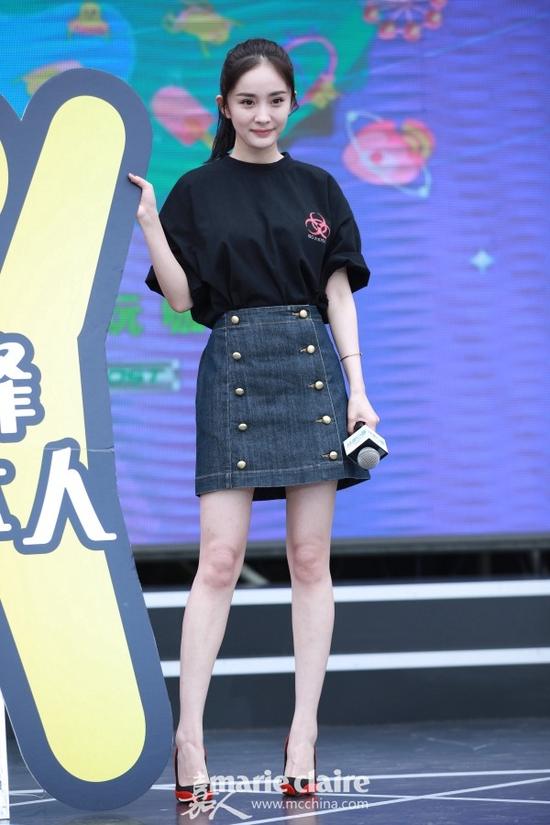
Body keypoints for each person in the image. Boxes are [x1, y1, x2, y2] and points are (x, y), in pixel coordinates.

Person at [129, 37, 380, 804]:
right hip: (233, 368)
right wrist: (149, 221)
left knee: (309, 559)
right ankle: (189, 737)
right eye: (248, 101)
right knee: (218, 559)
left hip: (310, 370)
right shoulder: (196, 191)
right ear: (225, 107)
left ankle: (303, 733)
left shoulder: (318, 186)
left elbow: (338, 295)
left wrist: (360, 391)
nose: (263, 114)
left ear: (292, 102)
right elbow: (180, 300)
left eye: (275, 100)